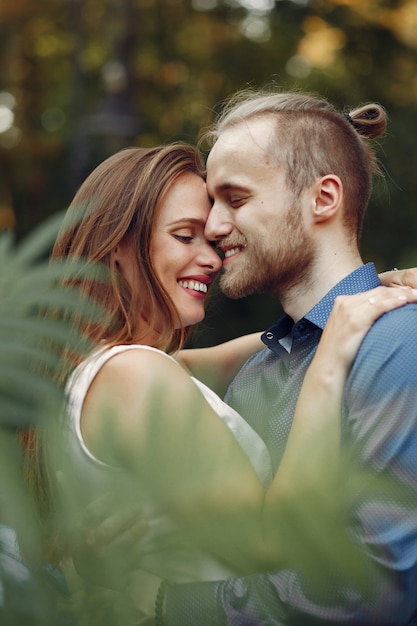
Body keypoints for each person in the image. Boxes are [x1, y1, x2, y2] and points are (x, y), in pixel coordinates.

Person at [45, 142, 417, 623]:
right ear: (118, 247)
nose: (212, 257)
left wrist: (368, 292)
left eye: (210, 240)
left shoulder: (109, 369)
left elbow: (246, 350)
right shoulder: (135, 376)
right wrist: (328, 362)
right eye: (185, 236)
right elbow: (272, 539)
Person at [150, 91, 417, 624]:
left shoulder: (400, 343)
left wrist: (171, 605)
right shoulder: (258, 372)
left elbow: (377, 590)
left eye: (237, 199)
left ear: (323, 198)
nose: (215, 227)